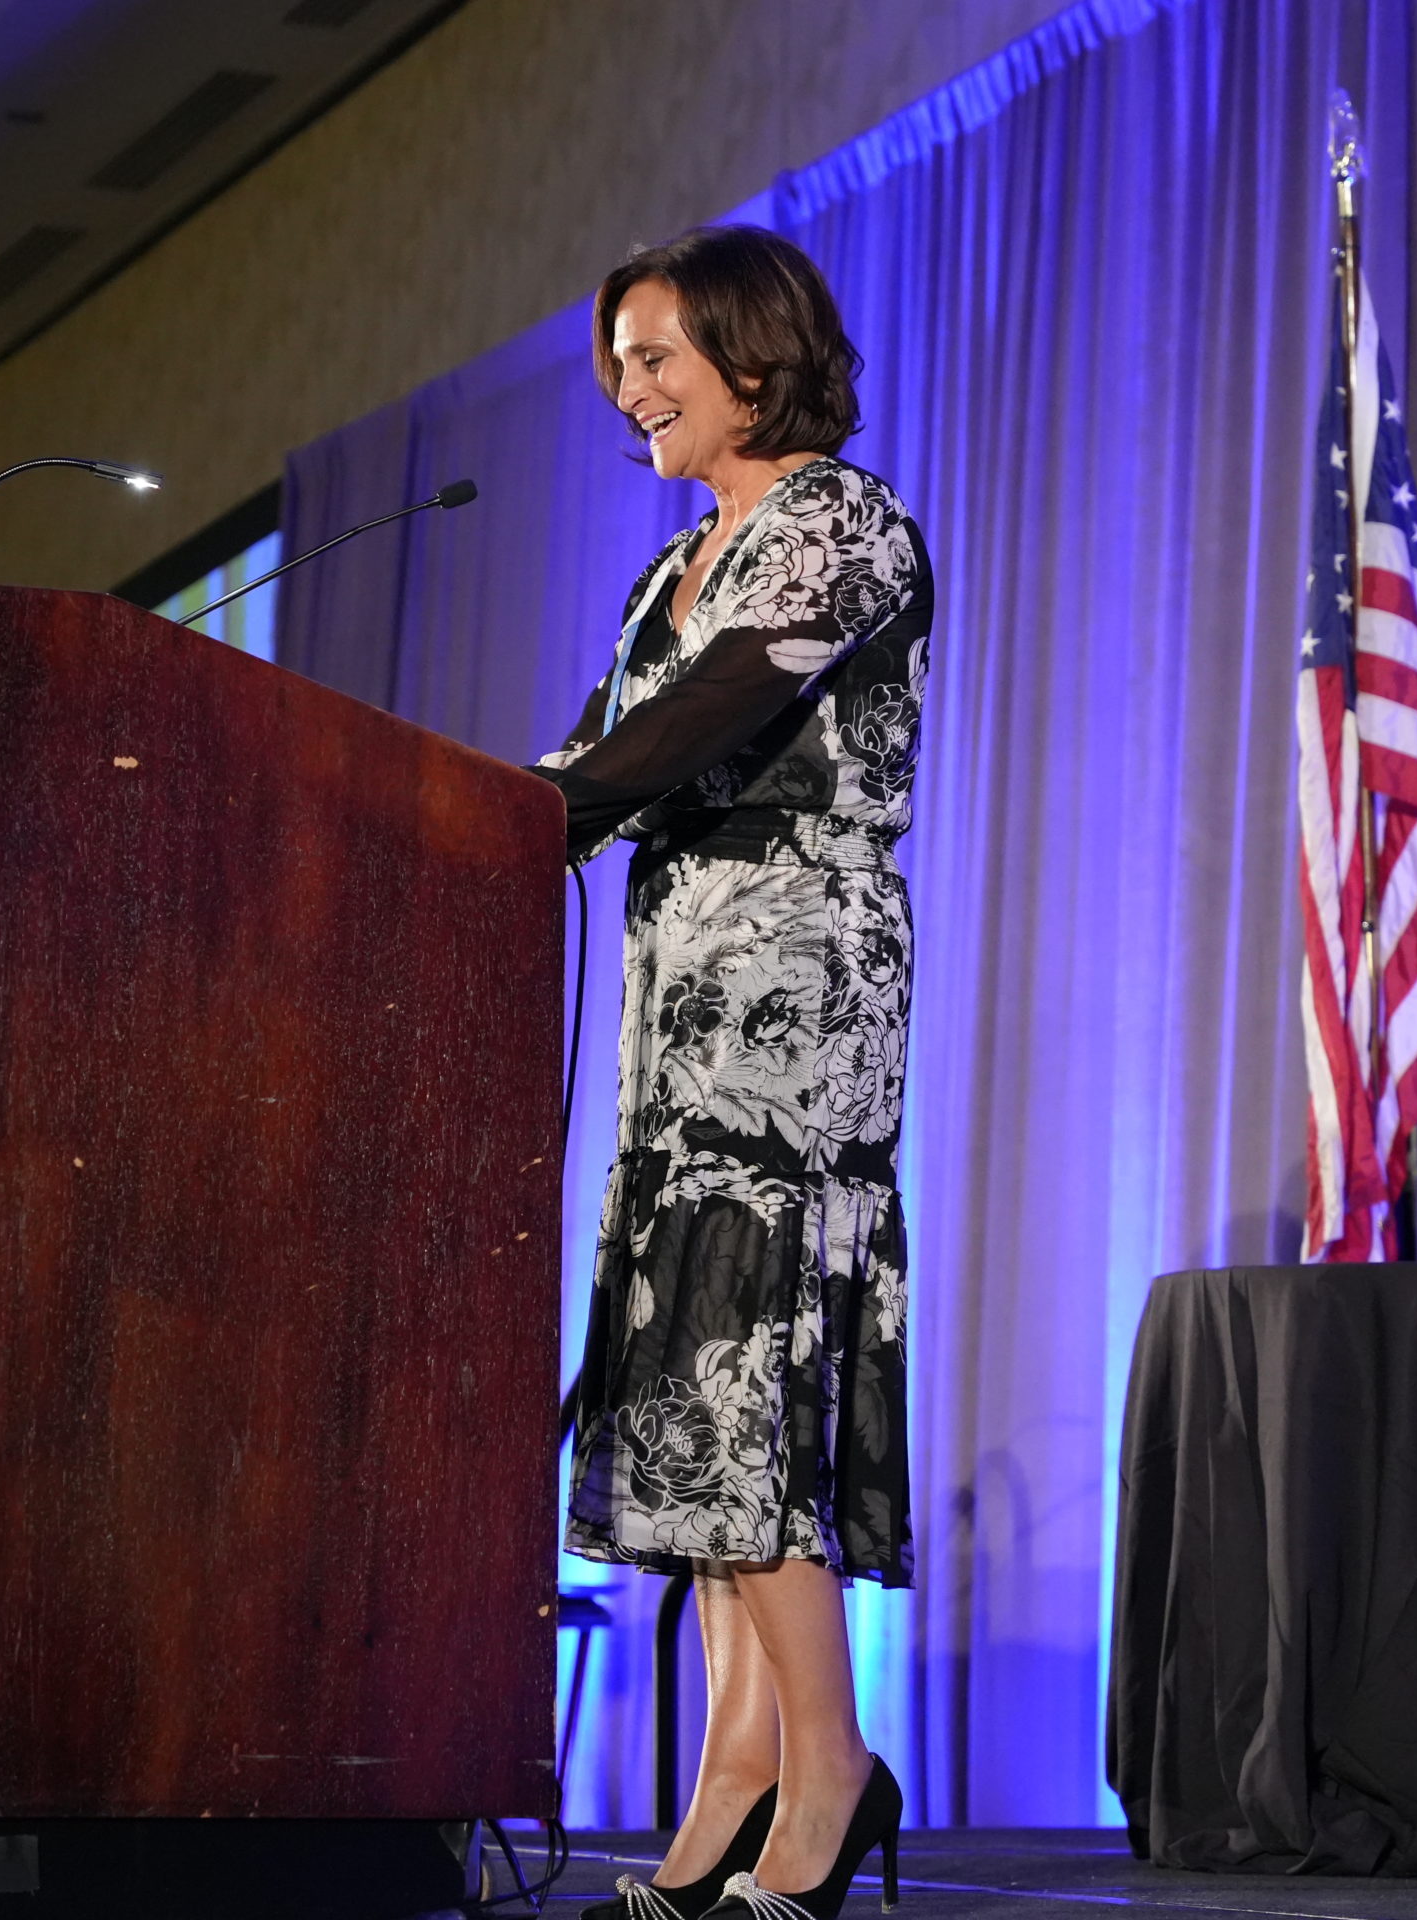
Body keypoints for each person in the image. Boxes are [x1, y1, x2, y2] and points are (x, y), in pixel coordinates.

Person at [532, 225, 930, 1920]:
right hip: (672, 997)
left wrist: (531, 814)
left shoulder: (841, 523)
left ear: (753, 356)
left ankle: (829, 1767)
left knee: (742, 1378)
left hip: (793, 995)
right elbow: (592, 748)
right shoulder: (662, 574)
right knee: (687, 1403)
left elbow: (692, 733)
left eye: (655, 353)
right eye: (619, 359)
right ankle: (735, 1778)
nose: (630, 385)